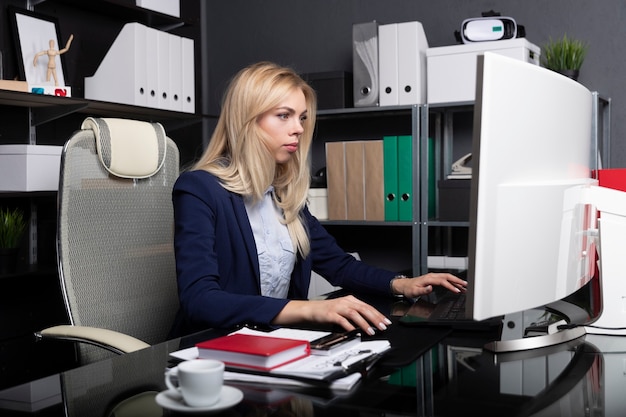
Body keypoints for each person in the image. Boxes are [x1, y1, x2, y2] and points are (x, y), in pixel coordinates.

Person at [170, 61, 467, 338]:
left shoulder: (285, 196)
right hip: (211, 352)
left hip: (274, 343)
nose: (298, 128)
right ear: (247, 120)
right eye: (284, 115)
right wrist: (312, 309)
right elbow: (201, 300)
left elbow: (339, 265)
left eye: (301, 118)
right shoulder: (199, 189)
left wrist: (401, 283)